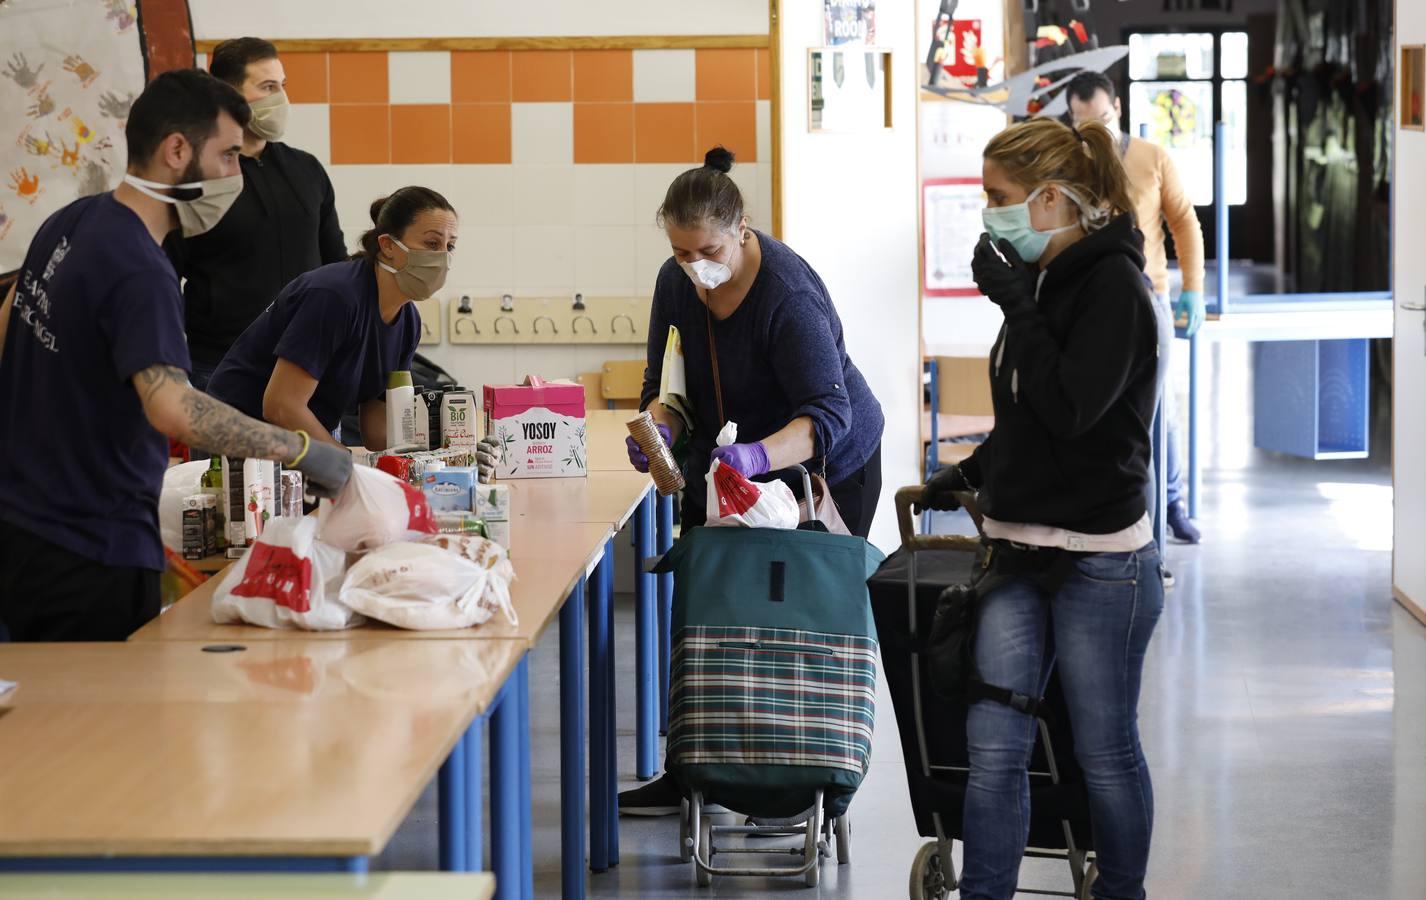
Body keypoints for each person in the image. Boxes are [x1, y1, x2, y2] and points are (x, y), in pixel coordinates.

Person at [0, 69, 352, 642]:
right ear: (177, 150)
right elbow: (174, 409)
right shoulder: (140, 266)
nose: (237, 174)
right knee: (100, 725)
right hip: (93, 547)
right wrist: (304, 451)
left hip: (23, 527)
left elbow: (9, 326)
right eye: (230, 156)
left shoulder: (70, 221)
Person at [919, 117, 1164, 900]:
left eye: (1000, 198)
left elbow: (1071, 410)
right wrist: (971, 470)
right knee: (995, 747)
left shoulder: (1115, 289)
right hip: (1020, 551)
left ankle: (1121, 891)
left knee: (1103, 750)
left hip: (1103, 560)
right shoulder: (1050, 280)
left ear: (1051, 199)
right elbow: (1026, 413)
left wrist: (1017, 307)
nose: (988, 213)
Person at [618, 146, 885, 816]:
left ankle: (809, 786)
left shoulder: (786, 295)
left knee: (798, 626)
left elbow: (829, 414)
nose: (693, 267)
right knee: (712, 617)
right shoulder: (677, 282)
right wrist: (660, 434)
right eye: (680, 252)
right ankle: (697, 771)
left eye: (705, 250)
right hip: (725, 472)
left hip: (825, 468)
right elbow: (664, 385)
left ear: (742, 231)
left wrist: (759, 460)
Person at [1067, 69, 1205, 546]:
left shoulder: (1150, 158)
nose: (1094, 131)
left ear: (1118, 109)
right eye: (1083, 122)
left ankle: (1170, 503)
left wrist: (1194, 287)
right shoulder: (1071, 162)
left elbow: (1183, 222)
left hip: (1150, 295)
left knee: (1157, 410)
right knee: (1109, 414)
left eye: (1101, 119)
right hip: (1093, 301)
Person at [167, 37, 347, 391]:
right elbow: (164, 276)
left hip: (306, 365)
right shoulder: (196, 174)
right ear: (225, 93)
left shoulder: (306, 170)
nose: (280, 97)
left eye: (282, 85)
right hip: (219, 367)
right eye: (267, 86)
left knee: (320, 450)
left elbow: (337, 268)